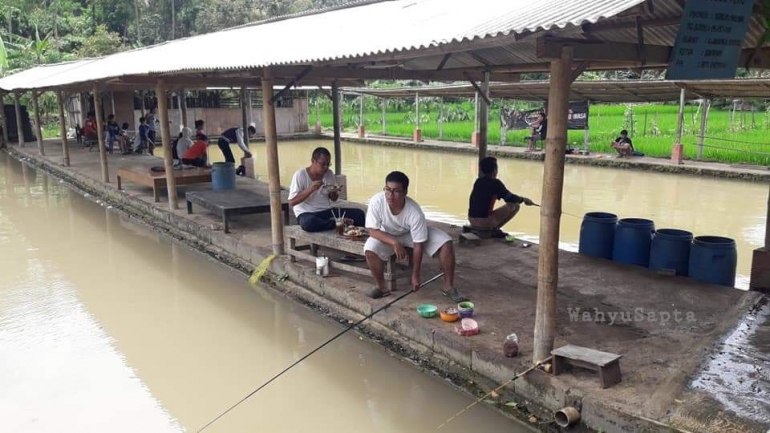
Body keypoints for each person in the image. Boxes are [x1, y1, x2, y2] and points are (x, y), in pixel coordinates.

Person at [364, 171, 467, 302]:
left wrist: (415, 275)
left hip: (410, 234)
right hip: (387, 234)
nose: (390, 195)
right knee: (370, 249)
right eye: (387, 189)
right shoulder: (377, 201)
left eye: (396, 191)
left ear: (405, 192)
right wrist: (395, 243)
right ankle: (381, 287)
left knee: (446, 242)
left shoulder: (414, 211)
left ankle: (449, 287)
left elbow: (418, 244)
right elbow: (372, 231)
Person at [289, 147, 365, 232]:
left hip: (326, 211)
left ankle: (356, 234)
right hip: (306, 213)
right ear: (313, 161)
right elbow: (292, 202)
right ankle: (336, 223)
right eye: (323, 164)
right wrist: (311, 189)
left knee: (359, 214)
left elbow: (334, 199)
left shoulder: (329, 173)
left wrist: (333, 191)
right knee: (308, 223)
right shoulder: (300, 175)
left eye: (328, 164)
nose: (326, 167)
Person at [468, 157, 534, 236]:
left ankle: (491, 228)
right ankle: (494, 230)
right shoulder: (496, 183)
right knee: (515, 205)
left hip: (471, 219)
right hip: (484, 222)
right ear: (495, 170)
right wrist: (524, 199)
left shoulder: (478, 181)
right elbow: (511, 198)